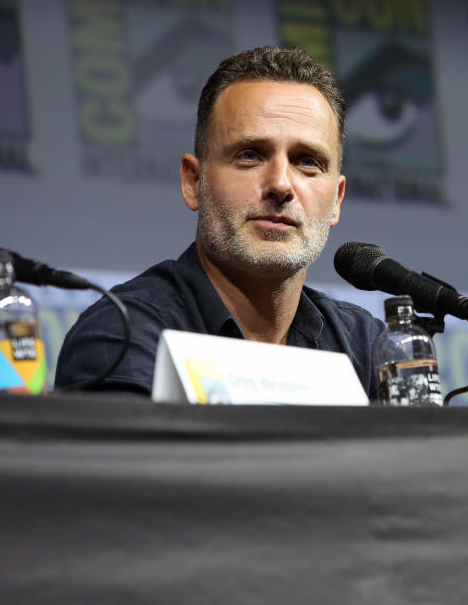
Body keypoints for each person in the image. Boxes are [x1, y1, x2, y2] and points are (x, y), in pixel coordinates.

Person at [55, 46, 384, 398]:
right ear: (194, 182)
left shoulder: (366, 347)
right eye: (249, 155)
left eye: (306, 161)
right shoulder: (123, 335)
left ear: (336, 199)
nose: (281, 185)